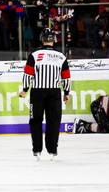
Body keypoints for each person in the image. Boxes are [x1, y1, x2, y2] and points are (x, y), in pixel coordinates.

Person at [19, 28, 71, 161]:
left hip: (37, 92)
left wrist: (25, 89)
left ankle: (37, 150)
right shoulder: (61, 56)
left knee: (35, 120)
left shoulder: (34, 54)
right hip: (54, 92)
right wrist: (66, 92)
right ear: (54, 39)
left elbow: (28, 73)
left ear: (41, 39)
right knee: (53, 121)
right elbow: (66, 77)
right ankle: (52, 150)